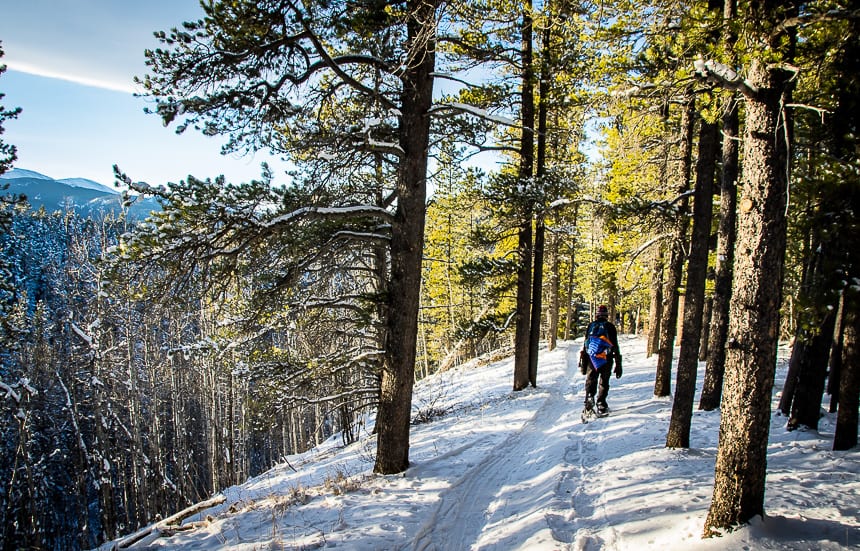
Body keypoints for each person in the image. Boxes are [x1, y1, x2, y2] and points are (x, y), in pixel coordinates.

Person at [579, 304, 622, 416]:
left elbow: (586, 343)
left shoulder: (591, 325)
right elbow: (615, 345)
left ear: (597, 315)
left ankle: (589, 398)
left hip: (592, 358)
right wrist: (618, 363)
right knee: (604, 381)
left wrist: (584, 362)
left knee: (591, 379)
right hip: (606, 358)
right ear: (606, 315)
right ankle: (601, 405)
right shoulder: (610, 327)